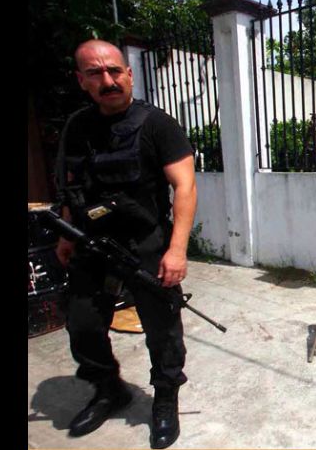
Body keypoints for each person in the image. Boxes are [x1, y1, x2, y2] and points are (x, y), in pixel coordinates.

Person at [54, 39, 197, 449]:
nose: (108, 79)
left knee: (162, 327)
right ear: (82, 80)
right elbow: (72, 186)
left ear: (129, 74)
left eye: (115, 70)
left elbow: (185, 186)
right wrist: (67, 233)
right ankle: (108, 388)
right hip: (91, 242)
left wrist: (177, 249)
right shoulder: (77, 127)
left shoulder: (157, 124)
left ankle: (165, 396)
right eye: (96, 73)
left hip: (146, 241)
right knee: (81, 323)